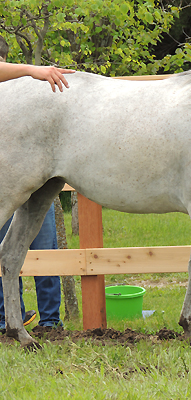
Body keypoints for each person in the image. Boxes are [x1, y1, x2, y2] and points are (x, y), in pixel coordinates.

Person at [0, 34, 72, 331]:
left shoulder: (18, 96)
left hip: (28, 178)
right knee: (8, 247)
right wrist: (32, 69)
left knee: (42, 242)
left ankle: (50, 320)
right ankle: (7, 317)